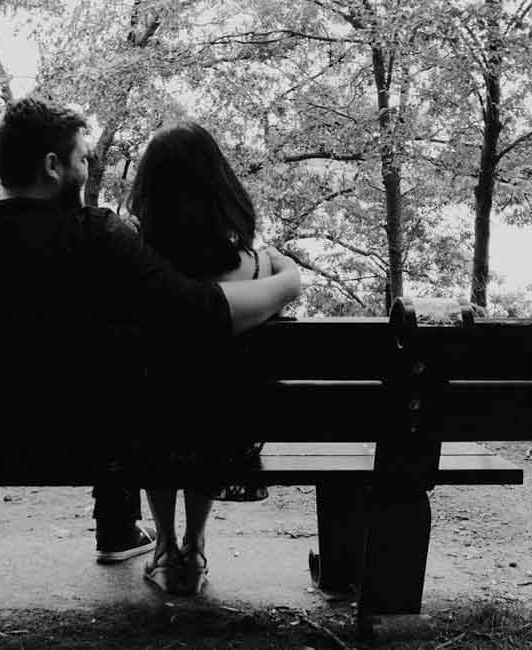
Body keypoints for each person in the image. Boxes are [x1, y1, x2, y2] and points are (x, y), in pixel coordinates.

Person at [0, 97, 300, 566]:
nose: (88, 168)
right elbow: (198, 314)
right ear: (53, 166)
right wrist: (286, 282)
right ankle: (124, 529)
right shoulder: (100, 239)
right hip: (85, 445)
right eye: (83, 159)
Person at [126, 120, 297, 595]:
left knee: (157, 412)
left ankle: (165, 547)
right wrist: (288, 273)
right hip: (227, 436)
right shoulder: (259, 270)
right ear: (221, 188)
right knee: (211, 409)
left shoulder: (135, 269)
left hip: (146, 434)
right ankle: (195, 545)